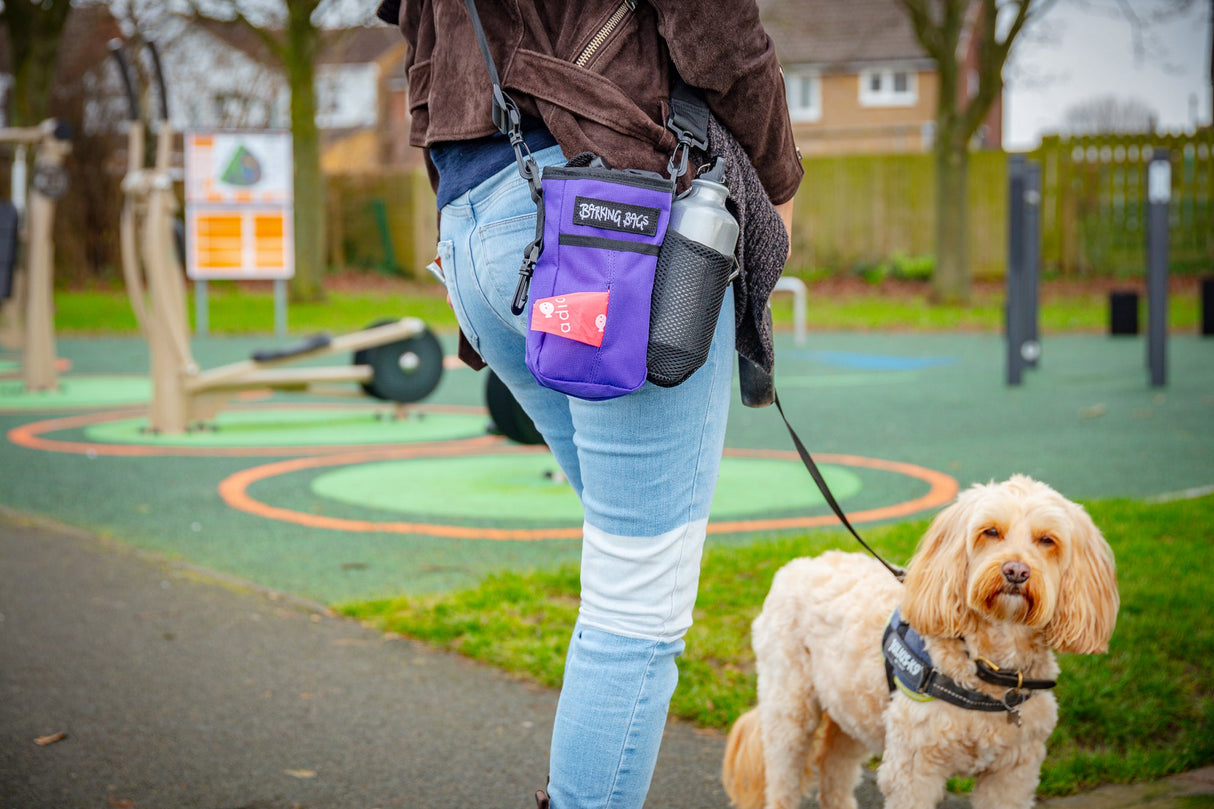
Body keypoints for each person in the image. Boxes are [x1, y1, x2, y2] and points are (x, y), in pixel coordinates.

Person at [375, 2, 802, 806]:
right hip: (605, 213)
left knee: (626, 563)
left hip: (479, 227)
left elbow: (420, 41)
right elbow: (717, 34)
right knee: (637, 602)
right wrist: (779, 183)